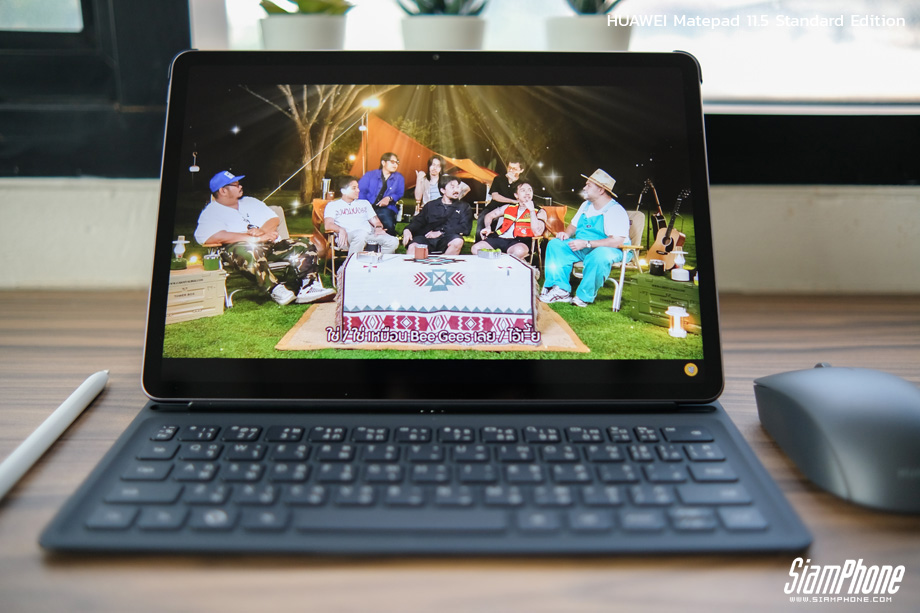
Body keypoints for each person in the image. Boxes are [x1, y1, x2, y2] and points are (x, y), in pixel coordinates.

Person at [193, 170, 335, 305]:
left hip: (269, 246)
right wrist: (252, 238)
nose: (240, 186)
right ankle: (275, 288)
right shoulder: (211, 212)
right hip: (241, 250)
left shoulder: (250, 202)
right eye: (235, 185)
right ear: (223, 191)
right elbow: (211, 237)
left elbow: (273, 218)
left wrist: (262, 232)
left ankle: (309, 286)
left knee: (303, 244)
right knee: (248, 250)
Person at [539, 168, 630, 307]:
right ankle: (560, 289)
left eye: (588, 185)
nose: (584, 188)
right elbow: (573, 226)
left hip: (611, 248)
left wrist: (587, 243)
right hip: (583, 246)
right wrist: (566, 234)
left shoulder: (615, 211)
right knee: (555, 244)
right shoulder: (585, 205)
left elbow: (617, 241)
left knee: (599, 255)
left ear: (601, 190)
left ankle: (584, 295)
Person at [324, 176, 399, 256]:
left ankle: (379, 262)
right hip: (348, 237)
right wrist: (340, 230)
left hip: (368, 236)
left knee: (393, 241)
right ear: (343, 191)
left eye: (358, 187)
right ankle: (351, 263)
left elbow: (376, 221)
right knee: (361, 234)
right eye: (354, 188)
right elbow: (328, 225)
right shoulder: (333, 205)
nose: (358, 190)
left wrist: (378, 228)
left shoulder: (364, 203)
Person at [471, 181, 546, 261]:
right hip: (499, 238)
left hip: (520, 242)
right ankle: (504, 258)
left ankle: (500, 257)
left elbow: (537, 232)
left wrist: (531, 211)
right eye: (523, 190)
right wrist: (488, 227)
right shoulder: (508, 207)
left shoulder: (540, 211)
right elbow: (489, 216)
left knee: (519, 251)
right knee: (475, 248)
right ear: (516, 195)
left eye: (530, 190)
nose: (527, 193)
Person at [402, 175, 472, 257]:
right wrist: (408, 229)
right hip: (427, 238)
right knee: (412, 247)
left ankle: (445, 263)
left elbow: (465, 228)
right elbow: (418, 221)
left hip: (448, 238)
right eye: (452, 187)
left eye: (458, 187)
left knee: (458, 241)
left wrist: (441, 232)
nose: (456, 190)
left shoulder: (464, 207)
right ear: (443, 190)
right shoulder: (431, 205)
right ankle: (415, 265)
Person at [358, 152, 405, 235]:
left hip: (387, 208)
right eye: (392, 162)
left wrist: (389, 198)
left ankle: (388, 240)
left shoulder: (399, 177)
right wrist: (365, 206)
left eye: (397, 162)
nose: (395, 165)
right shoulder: (370, 175)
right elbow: (361, 192)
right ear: (383, 162)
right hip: (367, 206)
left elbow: (399, 193)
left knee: (387, 223)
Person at [476, 160, 523, 239]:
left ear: (521, 170)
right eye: (509, 167)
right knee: (482, 217)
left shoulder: (522, 184)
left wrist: (513, 183)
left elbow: (521, 198)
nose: (511, 170)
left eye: (514, 169)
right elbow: (495, 196)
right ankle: (480, 241)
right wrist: (512, 201)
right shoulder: (498, 179)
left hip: (512, 209)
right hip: (495, 205)